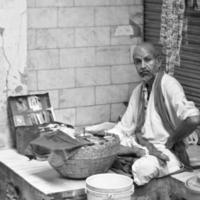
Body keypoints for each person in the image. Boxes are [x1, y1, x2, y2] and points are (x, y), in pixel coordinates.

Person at [107, 42, 200, 185]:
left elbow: (193, 119)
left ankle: (137, 161)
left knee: (142, 168)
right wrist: (107, 139)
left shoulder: (169, 84)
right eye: (138, 62)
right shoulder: (139, 91)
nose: (143, 66)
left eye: (147, 60)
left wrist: (172, 140)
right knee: (108, 150)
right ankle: (136, 156)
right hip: (143, 145)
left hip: (166, 152)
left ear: (159, 62)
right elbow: (124, 127)